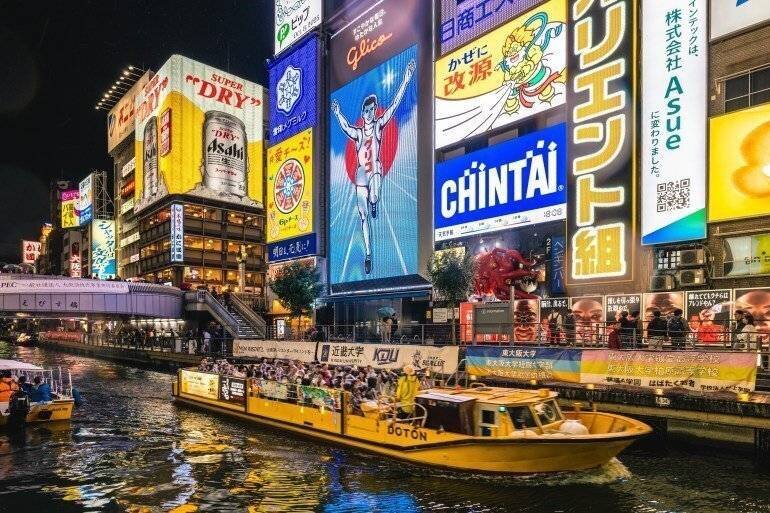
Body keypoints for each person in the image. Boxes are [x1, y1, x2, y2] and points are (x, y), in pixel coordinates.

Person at [330, 59, 416, 275]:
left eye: (373, 109)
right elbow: (345, 127)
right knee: (362, 215)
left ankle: (374, 202)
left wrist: (406, 79)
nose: (370, 113)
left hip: (374, 169)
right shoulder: (358, 133)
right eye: (367, 110)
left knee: (375, 196)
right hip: (360, 174)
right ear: (363, 111)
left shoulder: (378, 125)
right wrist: (338, 112)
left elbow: (395, 105)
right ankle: (368, 253)